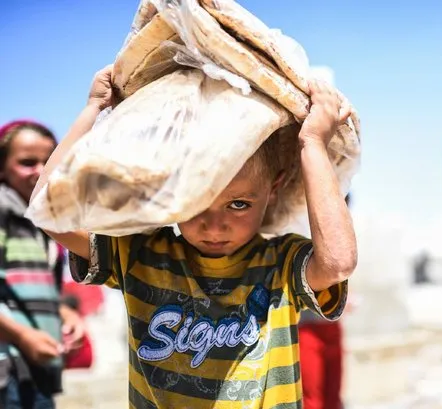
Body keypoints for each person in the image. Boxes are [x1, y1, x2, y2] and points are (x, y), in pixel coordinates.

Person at [34, 65, 356, 408]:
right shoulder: (140, 254)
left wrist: (312, 144)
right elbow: (46, 209)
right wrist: (93, 110)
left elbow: (337, 264)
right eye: (197, 202)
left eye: (238, 204)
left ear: (272, 190)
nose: (214, 226)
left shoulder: (280, 264)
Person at [0, 121, 85, 408]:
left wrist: (65, 315)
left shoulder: (41, 221)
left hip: (34, 369)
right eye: (26, 162)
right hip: (7, 370)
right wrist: (23, 336)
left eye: (48, 161)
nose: (39, 170)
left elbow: (26, 289)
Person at [298, 194, 351, 409]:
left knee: (333, 398)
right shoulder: (296, 224)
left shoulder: (340, 233)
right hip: (305, 327)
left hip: (330, 324)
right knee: (313, 400)